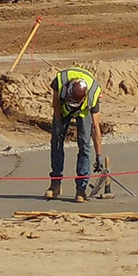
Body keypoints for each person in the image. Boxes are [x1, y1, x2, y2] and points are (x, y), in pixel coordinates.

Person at [45, 67, 104, 203]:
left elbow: (95, 128)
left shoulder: (93, 94)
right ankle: (55, 185)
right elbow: (55, 102)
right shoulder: (60, 81)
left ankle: (81, 189)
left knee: (84, 145)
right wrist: (58, 123)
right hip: (63, 109)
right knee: (57, 142)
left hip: (82, 113)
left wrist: (99, 155)